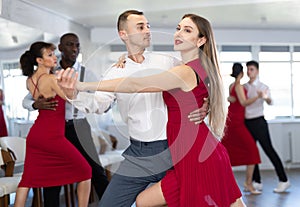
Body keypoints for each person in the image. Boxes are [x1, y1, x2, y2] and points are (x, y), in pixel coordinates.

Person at [58, 13, 245, 207]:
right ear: (124, 34)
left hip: (173, 151)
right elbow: (98, 104)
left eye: (148, 25)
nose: (148, 30)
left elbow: (198, 80)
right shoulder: (116, 70)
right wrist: (73, 93)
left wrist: (205, 104)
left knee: (209, 199)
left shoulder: (169, 63)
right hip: (139, 154)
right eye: (140, 27)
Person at [22, 33, 109, 206]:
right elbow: (26, 100)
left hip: (79, 126)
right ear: (60, 48)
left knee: (95, 170)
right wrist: (35, 105)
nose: (75, 49)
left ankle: (112, 203)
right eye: (70, 45)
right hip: (55, 129)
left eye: (77, 45)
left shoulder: (86, 73)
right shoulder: (49, 72)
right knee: (51, 178)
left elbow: (102, 99)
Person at [244, 60, 290, 193]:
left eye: (251, 69)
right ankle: (256, 181)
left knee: (269, 150)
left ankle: (284, 180)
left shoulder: (263, 87)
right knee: (252, 152)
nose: (249, 72)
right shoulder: (245, 87)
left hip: (259, 122)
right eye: (247, 69)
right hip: (247, 122)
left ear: (257, 71)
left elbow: (270, 101)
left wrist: (265, 97)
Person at [221, 63, 262, 195]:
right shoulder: (238, 86)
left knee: (228, 152)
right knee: (253, 152)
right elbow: (243, 102)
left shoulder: (231, 86)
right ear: (242, 73)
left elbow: (232, 99)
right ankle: (248, 184)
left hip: (232, 121)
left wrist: (230, 98)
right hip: (236, 123)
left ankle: (227, 184)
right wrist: (258, 96)